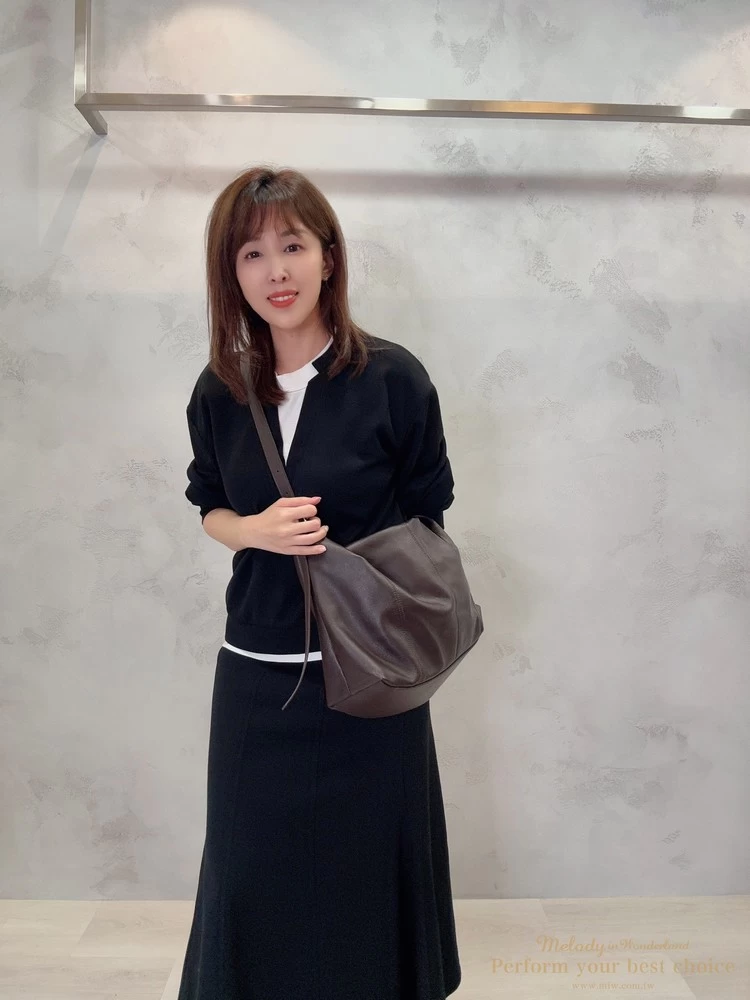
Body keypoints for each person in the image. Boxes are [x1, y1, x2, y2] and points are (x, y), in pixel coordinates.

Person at [178, 164, 462, 1000]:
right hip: (256, 674)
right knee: (248, 874)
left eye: (293, 246)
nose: (277, 271)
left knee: (367, 876)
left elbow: (430, 514)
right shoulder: (220, 391)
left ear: (328, 256)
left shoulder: (394, 379)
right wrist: (254, 531)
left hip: (370, 676)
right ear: (231, 274)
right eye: (252, 254)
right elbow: (207, 502)